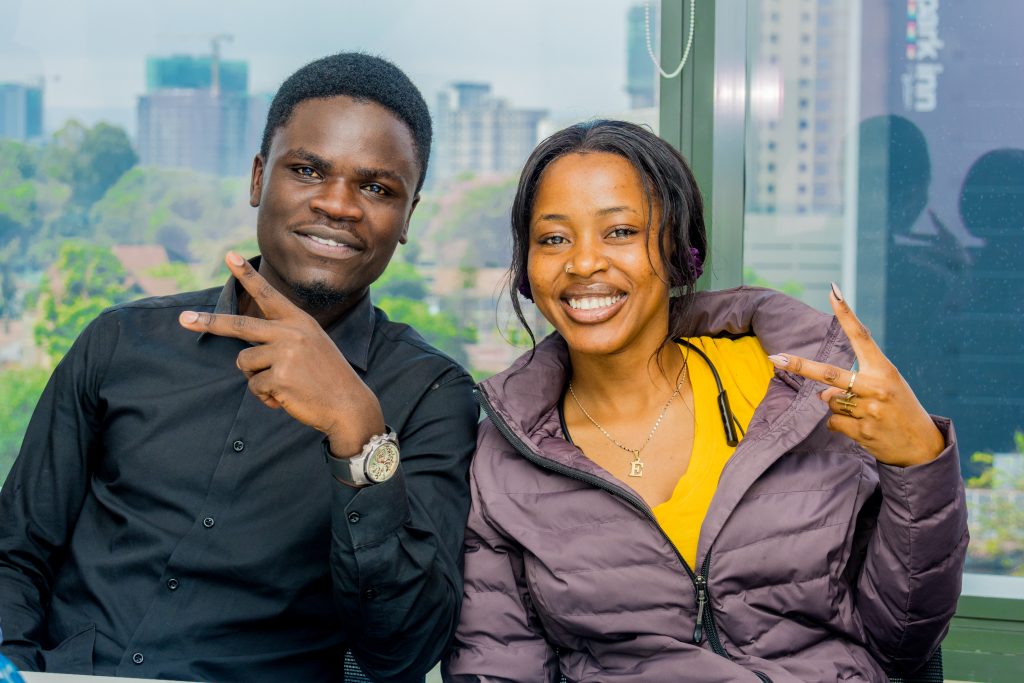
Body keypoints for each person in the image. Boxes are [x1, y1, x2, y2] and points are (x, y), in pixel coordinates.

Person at [0, 53, 478, 683]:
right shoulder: (120, 342)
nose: (338, 205)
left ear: (409, 215)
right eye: (308, 170)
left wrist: (359, 437)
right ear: (259, 179)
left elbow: (403, 655)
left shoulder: (432, 394)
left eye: (376, 187)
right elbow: (16, 555)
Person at [443, 120, 968, 682]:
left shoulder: (793, 391)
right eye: (553, 239)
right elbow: (497, 664)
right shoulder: (502, 454)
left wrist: (920, 465)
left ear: (681, 252)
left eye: (619, 231)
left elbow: (901, 641)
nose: (583, 263)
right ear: (527, 271)